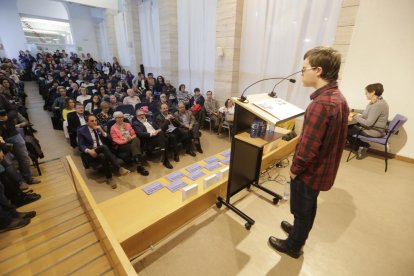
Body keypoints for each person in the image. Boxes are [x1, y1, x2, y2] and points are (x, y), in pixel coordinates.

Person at [268, 46, 349, 259]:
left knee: (302, 210)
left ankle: (293, 245)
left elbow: (309, 147)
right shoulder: (338, 97)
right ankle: (298, 232)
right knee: (308, 206)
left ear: (319, 70)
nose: (301, 72)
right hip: (322, 170)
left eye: (304, 68)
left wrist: (295, 169)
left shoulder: (320, 104)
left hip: (310, 172)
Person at [77, 115, 130, 188]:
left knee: (102, 155)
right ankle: (119, 168)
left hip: (103, 151)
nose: (95, 122)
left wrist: (101, 131)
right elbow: (81, 145)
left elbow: (110, 138)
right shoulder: (82, 131)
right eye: (92, 121)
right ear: (87, 122)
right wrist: (89, 151)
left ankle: (109, 178)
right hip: (92, 151)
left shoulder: (99, 127)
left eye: (95, 120)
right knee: (103, 147)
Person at [348, 83, 389, 159]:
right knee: (348, 129)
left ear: (373, 92)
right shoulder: (376, 102)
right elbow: (366, 112)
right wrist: (352, 110)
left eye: (366, 92)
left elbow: (368, 123)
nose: (365, 94)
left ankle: (361, 146)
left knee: (346, 131)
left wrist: (353, 115)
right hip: (372, 128)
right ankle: (362, 145)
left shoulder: (378, 105)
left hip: (374, 131)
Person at [0, 109, 41, 185]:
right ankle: (19, 182)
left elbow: (14, 111)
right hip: (1, 140)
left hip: (13, 134)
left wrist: (6, 117)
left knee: (24, 157)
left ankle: (28, 178)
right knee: (8, 163)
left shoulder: (3, 98)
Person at [110, 111, 149, 176]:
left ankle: (139, 165)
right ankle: (139, 165)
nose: (121, 119)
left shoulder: (127, 124)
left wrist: (130, 137)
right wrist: (125, 141)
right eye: (118, 118)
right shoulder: (113, 128)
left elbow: (134, 134)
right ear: (115, 119)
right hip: (122, 145)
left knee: (136, 139)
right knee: (135, 145)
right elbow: (115, 140)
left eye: (122, 117)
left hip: (131, 140)